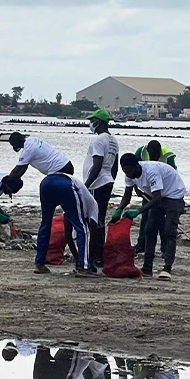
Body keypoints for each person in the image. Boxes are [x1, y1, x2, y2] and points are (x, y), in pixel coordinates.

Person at [112, 154, 187, 281]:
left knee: (169, 231)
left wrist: (138, 211)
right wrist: (119, 209)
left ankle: (167, 268)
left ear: (136, 166)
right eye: (125, 172)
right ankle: (147, 268)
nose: (128, 175)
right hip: (157, 196)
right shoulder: (129, 174)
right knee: (149, 230)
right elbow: (127, 195)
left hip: (174, 194)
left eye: (129, 171)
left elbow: (157, 198)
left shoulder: (151, 172)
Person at [34, 172, 99, 277]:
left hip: (46, 182)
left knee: (45, 224)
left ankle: (39, 263)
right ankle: (83, 268)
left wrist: (77, 257)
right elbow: (92, 235)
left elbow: (68, 235)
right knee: (82, 229)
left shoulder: (76, 205)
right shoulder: (93, 207)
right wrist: (85, 261)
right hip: (66, 185)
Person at [82, 110, 120, 269]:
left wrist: (85, 186)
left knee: (93, 220)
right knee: (100, 220)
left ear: (100, 122)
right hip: (107, 182)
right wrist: (111, 181)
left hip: (96, 185)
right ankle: (99, 256)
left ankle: (92, 256)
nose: (91, 124)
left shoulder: (98, 141)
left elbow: (97, 165)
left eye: (93, 120)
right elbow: (115, 167)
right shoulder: (113, 141)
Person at [133, 140, 177, 253]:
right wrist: (136, 188)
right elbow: (132, 170)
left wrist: (162, 196)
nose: (154, 157)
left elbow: (173, 178)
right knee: (146, 217)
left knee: (163, 220)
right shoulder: (141, 153)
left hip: (164, 191)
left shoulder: (168, 157)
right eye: (152, 154)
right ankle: (141, 244)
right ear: (148, 151)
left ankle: (164, 248)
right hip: (147, 190)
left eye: (156, 155)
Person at [7, 132, 73, 180]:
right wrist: (17, 178)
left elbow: (18, 168)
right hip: (66, 163)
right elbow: (24, 167)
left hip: (59, 169)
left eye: (12, 144)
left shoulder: (27, 150)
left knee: (49, 190)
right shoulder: (31, 140)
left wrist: (8, 181)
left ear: (16, 144)